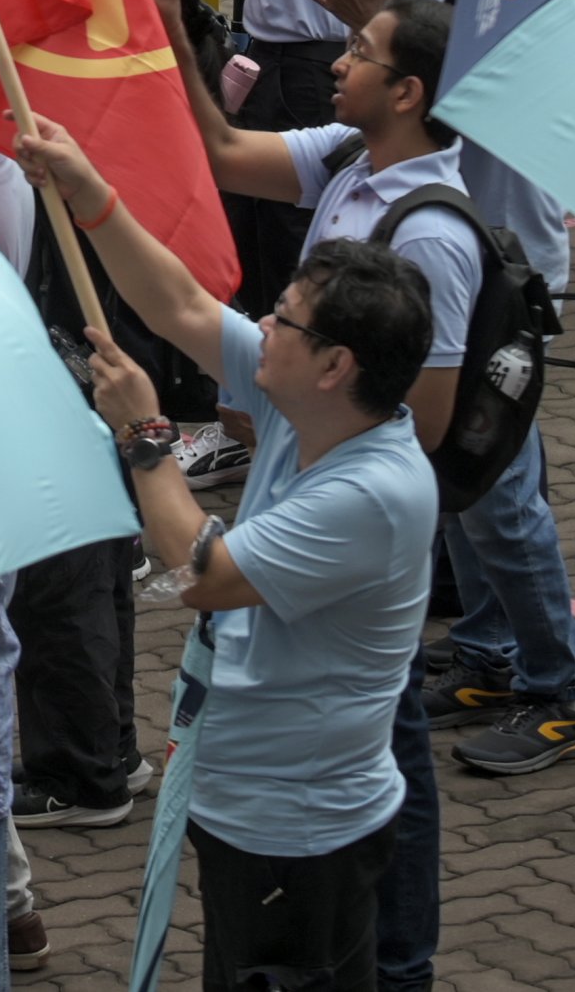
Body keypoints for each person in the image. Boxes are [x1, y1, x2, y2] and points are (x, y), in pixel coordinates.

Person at [70, 230, 440, 992]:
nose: (262, 326)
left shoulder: (374, 490)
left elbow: (203, 573)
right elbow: (175, 303)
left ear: (336, 365)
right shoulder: (306, 411)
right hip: (248, 809)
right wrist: (88, 195)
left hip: (298, 835)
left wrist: (145, 436)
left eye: (284, 318)